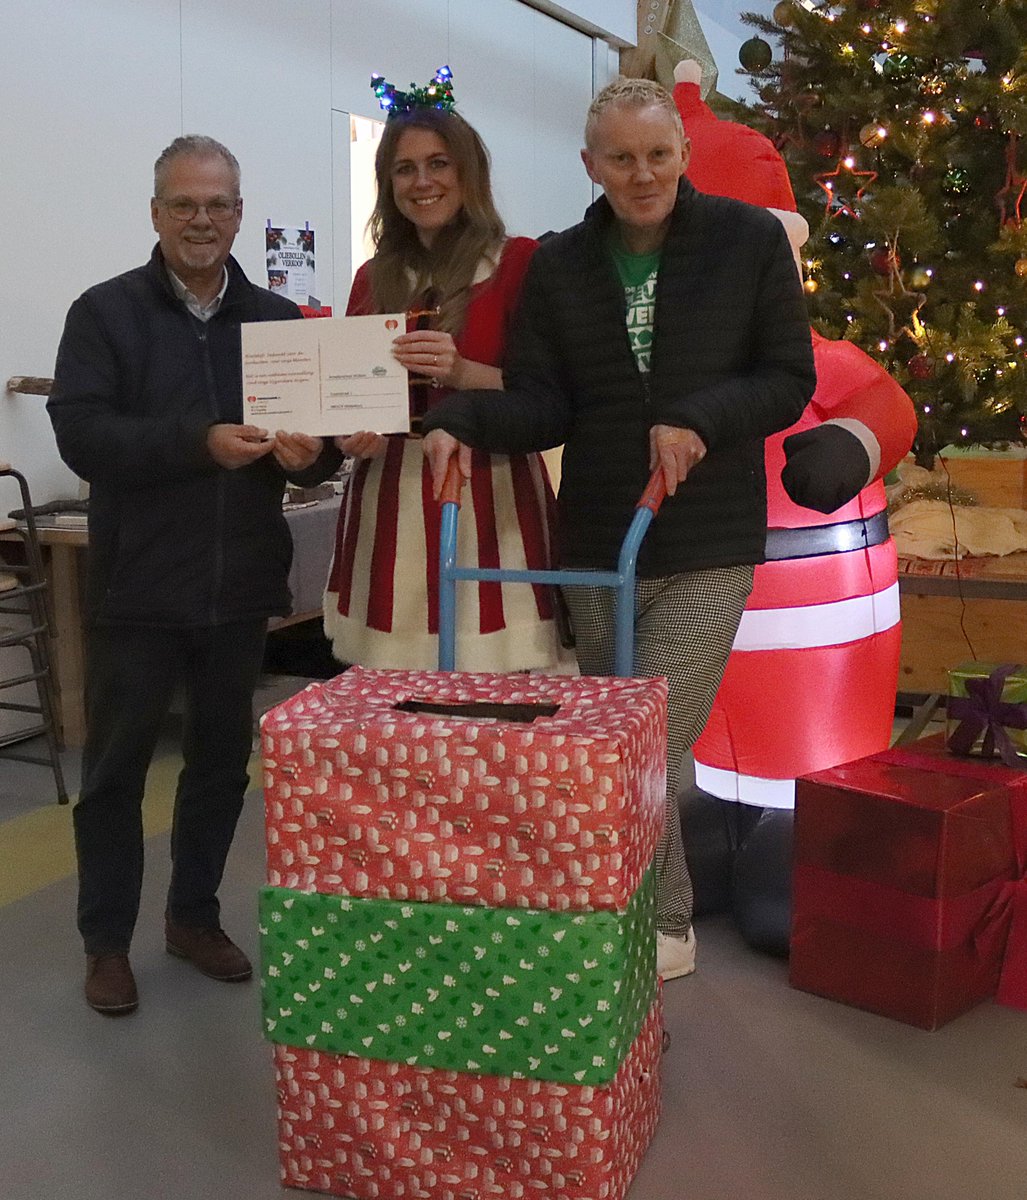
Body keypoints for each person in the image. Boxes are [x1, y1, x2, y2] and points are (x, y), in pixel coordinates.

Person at [421, 77, 816, 980]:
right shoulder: (561, 264)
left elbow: (786, 377)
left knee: (653, 741)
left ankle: (663, 923)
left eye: (658, 155)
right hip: (601, 538)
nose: (642, 175)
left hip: (705, 533)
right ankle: (623, 907)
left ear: (681, 153)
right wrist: (460, 421)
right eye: (621, 158)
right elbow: (544, 403)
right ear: (590, 164)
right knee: (612, 741)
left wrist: (701, 419)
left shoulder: (746, 241)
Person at [47, 135, 337, 1016]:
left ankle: (191, 917)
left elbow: (313, 460)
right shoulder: (105, 314)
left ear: (239, 214)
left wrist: (309, 455)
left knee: (219, 767)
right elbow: (82, 434)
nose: (201, 219)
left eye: (218, 204)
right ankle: (105, 942)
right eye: (184, 204)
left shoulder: (279, 323)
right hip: (139, 588)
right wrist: (199, 441)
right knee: (114, 777)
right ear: (157, 213)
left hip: (238, 585)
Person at [671, 60, 917, 955]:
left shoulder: (816, 362)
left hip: (817, 656)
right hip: (703, 627)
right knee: (700, 728)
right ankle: (720, 809)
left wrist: (850, 443)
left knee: (794, 768)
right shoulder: (663, 378)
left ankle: (800, 826)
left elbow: (887, 403)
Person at [324, 69, 568, 673]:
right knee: (395, 700)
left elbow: (551, 393)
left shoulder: (519, 263)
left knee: (498, 692)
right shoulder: (373, 278)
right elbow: (348, 397)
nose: (422, 181)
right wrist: (349, 432)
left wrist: (463, 372)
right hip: (390, 495)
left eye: (438, 163)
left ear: (468, 173)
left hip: (492, 489)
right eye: (405, 168)